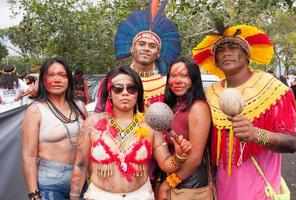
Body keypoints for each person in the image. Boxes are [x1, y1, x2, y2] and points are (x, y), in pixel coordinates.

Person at [192, 24, 296, 199]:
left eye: (233, 47)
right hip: (222, 189)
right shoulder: (211, 94)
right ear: (216, 60)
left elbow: (292, 143)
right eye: (220, 50)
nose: (226, 53)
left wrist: (256, 134)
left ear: (247, 54)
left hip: (259, 190)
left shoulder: (273, 88)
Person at [93, 0, 181, 193]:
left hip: (156, 166)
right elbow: (98, 121)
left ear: (158, 53)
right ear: (132, 48)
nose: (146, 48)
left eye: (152, 46)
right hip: (112, 164)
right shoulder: (112, 81)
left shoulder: (167, 86)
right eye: (141, 44)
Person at [69, 65, 191, 200]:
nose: (125, 93)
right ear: (109, 92)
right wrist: (74, 196)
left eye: (131, 89)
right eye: (118, 88)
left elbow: (166, 165)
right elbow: (80, 165)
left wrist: (180, 156)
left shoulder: (149, 124)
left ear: (138, 93)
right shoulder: (92, 124)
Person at [22, 57, 88, 200]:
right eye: (51, 75)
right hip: (50, 182)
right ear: (43, 80)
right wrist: (34, 194)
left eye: (62, 75)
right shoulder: (35, 110)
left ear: (68, 79)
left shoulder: (80, 107)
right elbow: (29, 155)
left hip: (80, 180)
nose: (57, 79)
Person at [158, 57, 212, 199]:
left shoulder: (198, 107)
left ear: (193, 79)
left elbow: (195, 159)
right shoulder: (173, 106)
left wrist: (167, 184)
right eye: (173, 76)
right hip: (171, 178)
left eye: (184, 76)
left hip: (190, 185)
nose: (177, 81)